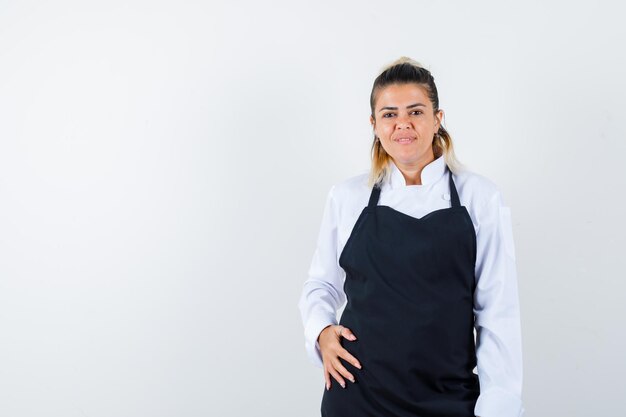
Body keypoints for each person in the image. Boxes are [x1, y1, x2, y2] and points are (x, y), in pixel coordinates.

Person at [297, 56, 524, 417]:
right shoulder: (347, 197)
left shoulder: (480, 197)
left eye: (415, 111)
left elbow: (498, 313)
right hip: (358, 395)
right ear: (374, 124)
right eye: (389, 114)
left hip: (449, 396)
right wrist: (322, 331)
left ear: (437, 119)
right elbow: (320, 284)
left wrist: (499, 406)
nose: (402, 123)